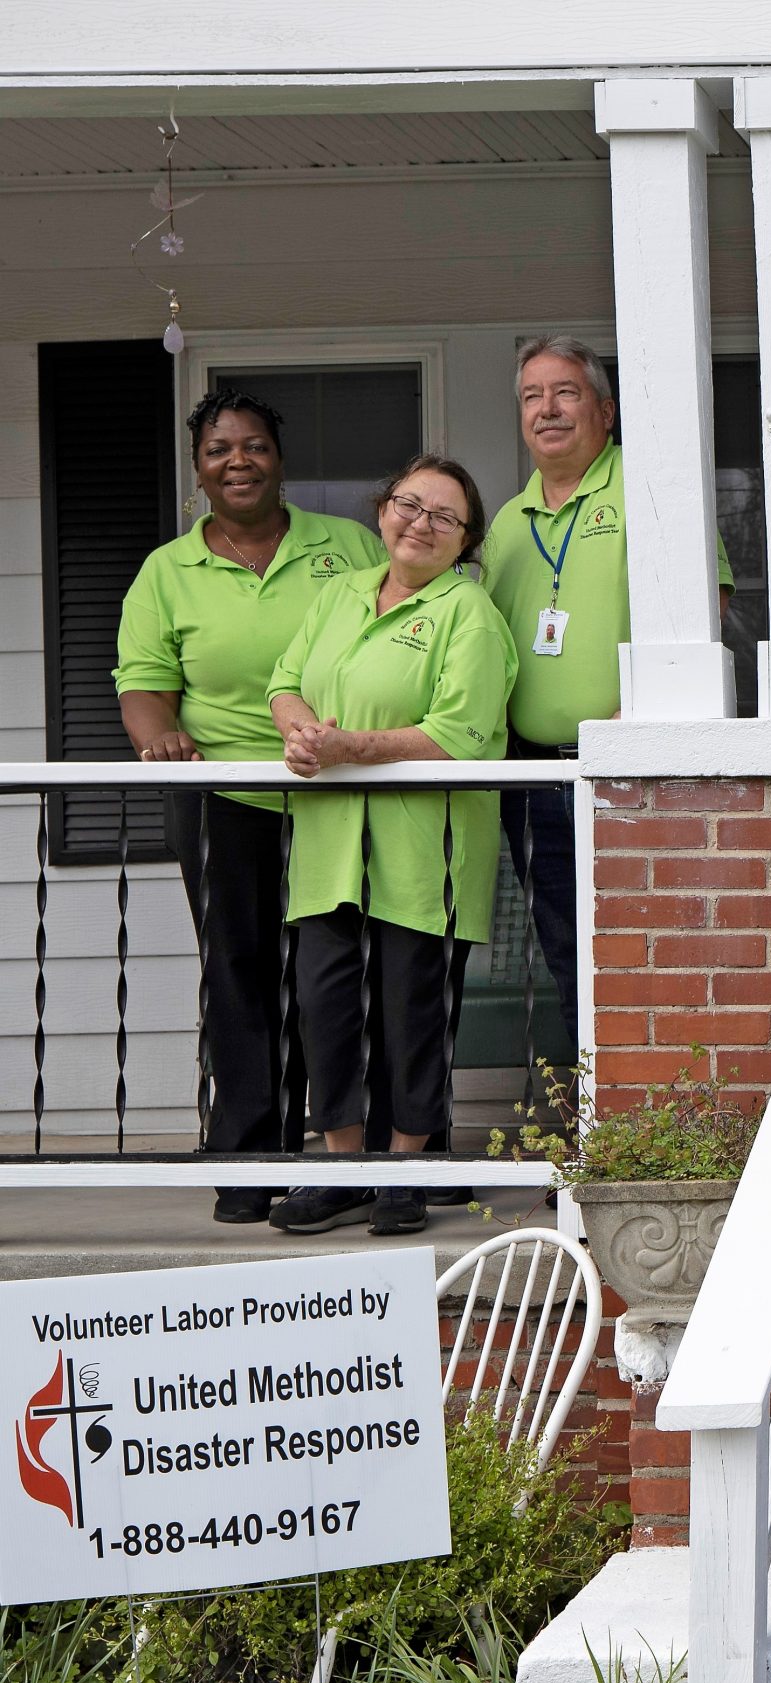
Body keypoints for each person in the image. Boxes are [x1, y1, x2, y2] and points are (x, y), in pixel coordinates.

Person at [114, 389, 385, 1224]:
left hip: (332, 794)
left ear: (279, 457)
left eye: (255, 446)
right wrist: (159, 740)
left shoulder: (347, 547)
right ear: (198, 470)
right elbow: (145, 689)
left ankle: (342, 1154)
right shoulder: (168, 570)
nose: (239, 461)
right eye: (219, 449)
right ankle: (248, 1154)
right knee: (240, 977)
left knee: (333, 978)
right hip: (221, 799)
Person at [263, 457, 514, 1239]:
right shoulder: (339, 593)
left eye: (445, 516)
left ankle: (405, 1169)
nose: (422, 523)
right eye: (410, 504)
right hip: (331, 841)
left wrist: (349, 746)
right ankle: (346, 1169)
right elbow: (283, 679)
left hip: (423, 842)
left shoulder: (468, 612)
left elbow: (459, 733)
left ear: (466, 540)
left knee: (413, 1010)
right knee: (325, 1005)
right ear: (382, 512)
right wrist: (300, 729)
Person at [482, 335, 732, 1057]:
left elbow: (703, 606)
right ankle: (596, 1119)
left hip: (630, 770)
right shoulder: (505, 523)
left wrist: (643, 709)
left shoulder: (649, 493)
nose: (547, 409)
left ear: (606, 410)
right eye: (532, 396)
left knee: (649, 946)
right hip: (535, 778)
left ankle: (656, 1108)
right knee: (567, 952)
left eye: (566, 392)